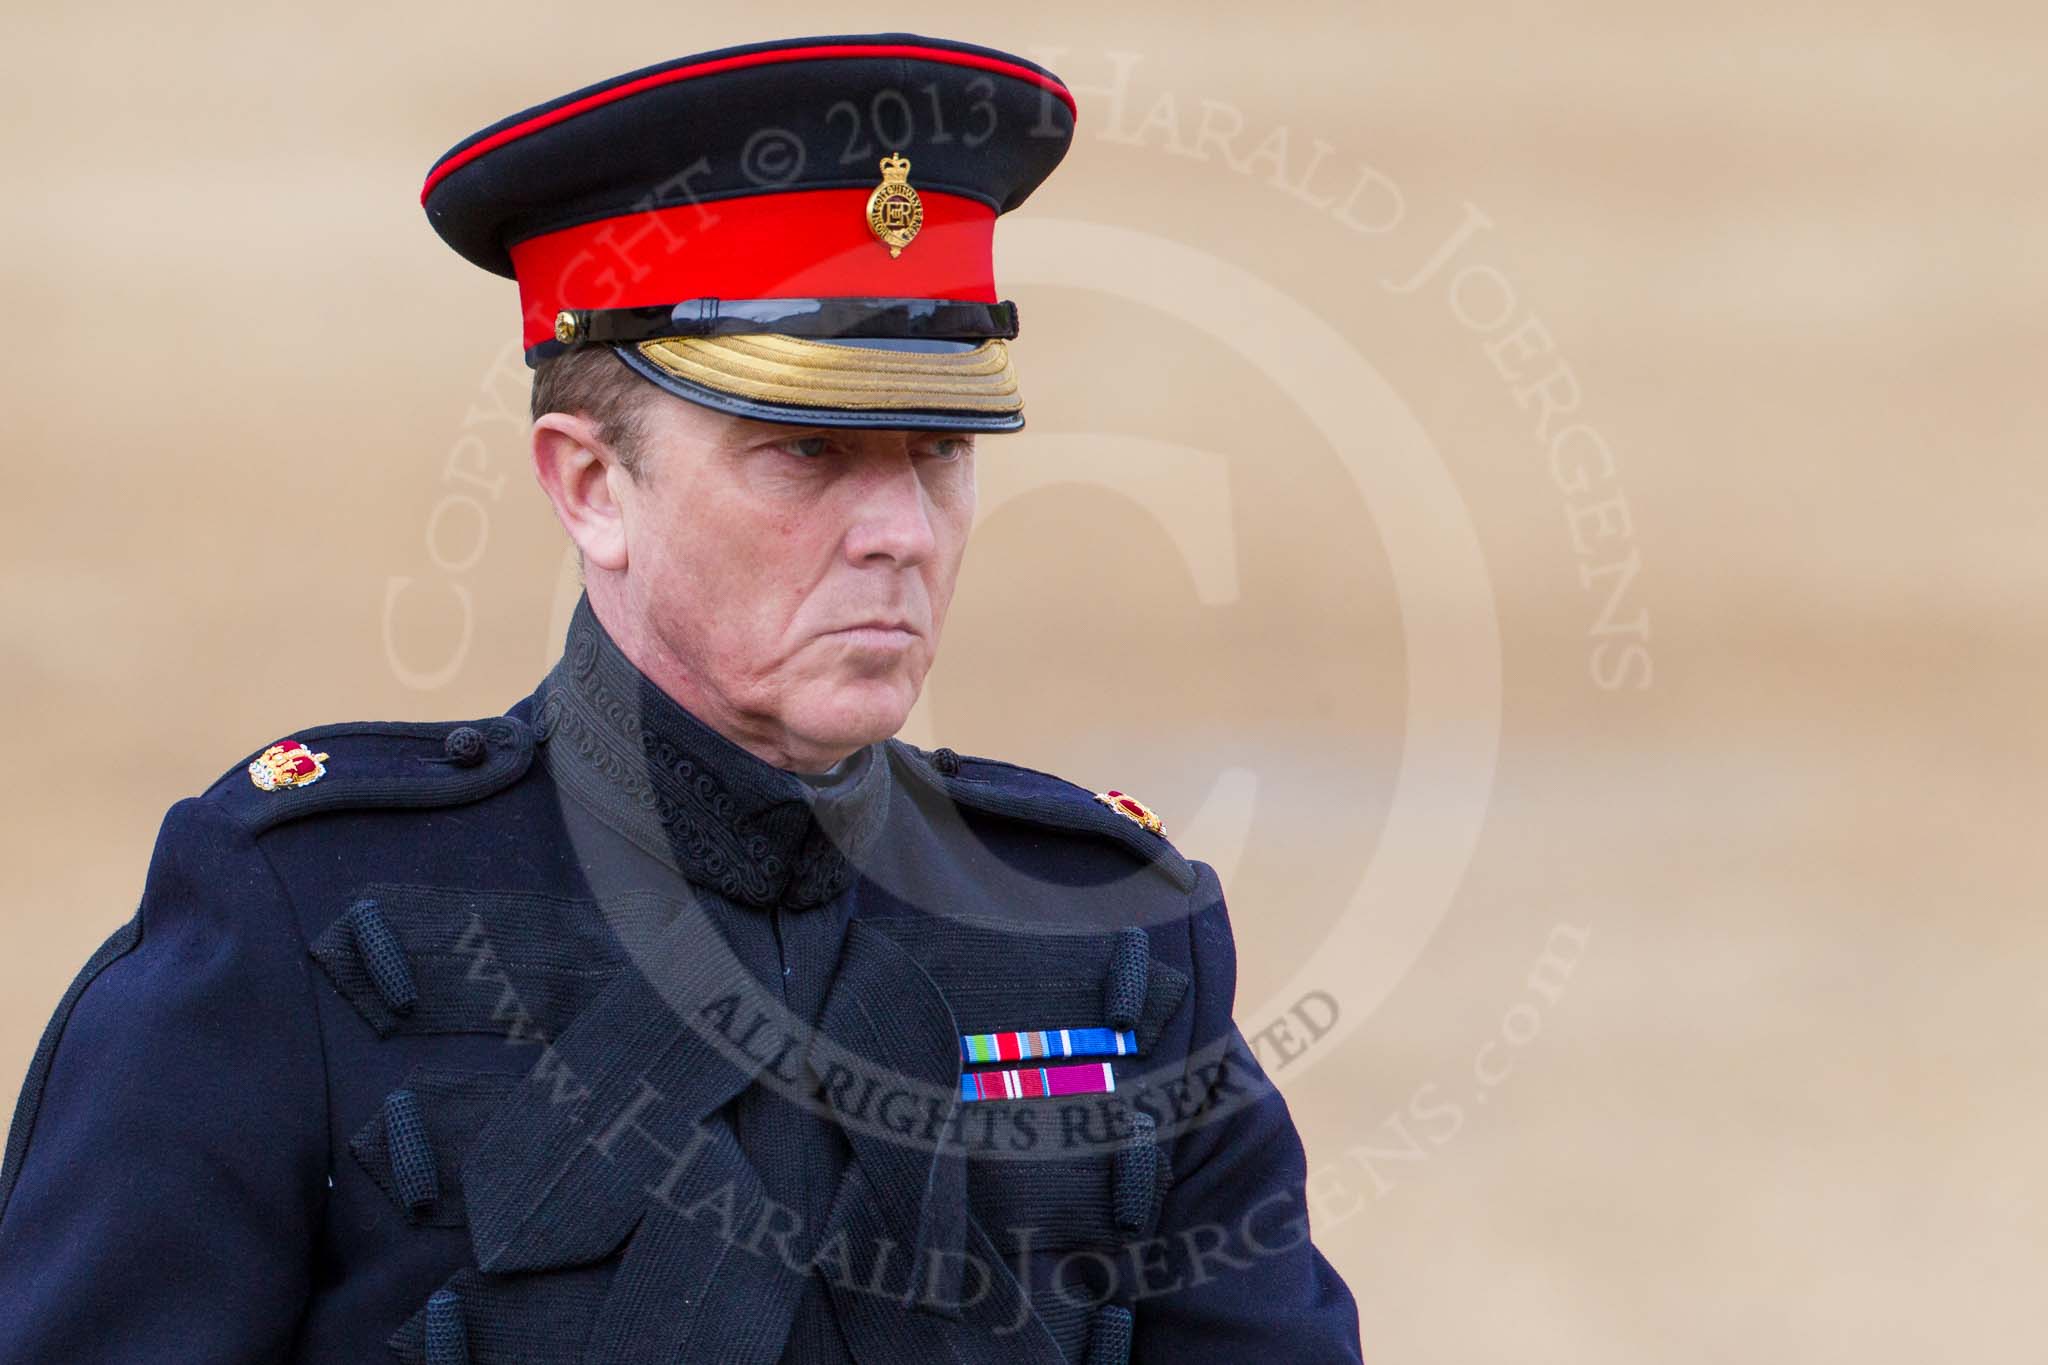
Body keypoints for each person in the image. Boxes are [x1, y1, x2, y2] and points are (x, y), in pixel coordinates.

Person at [0, 33, 1362, 1364]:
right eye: (807, 450)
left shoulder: (1120, 935)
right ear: (592, 486)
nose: (902, 527)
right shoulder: (298, 921)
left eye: (941, 449)